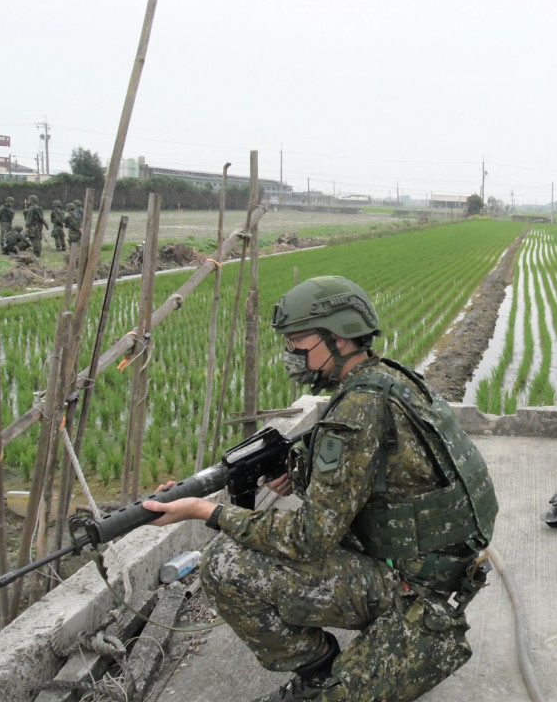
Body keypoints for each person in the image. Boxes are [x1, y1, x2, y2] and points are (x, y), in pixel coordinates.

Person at [143, 276, 497, 702]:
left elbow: (310, 538)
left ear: (341, 338)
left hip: (416, 586)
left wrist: (207, 512)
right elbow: (379, 481)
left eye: (298, 343)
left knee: (224, 564)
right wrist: (299, 472)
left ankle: (317, 671)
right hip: (444, 566)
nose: (291, 355)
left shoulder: (357, 411)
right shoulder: (387, 379)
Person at [23, 194, 46, 258]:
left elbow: (28, 219)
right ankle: (38, 252)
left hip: (32, 227)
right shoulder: (39, 208)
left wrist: (27, 227)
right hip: (39, 227)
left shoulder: (31, 208)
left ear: (31, 200)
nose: (28, 201)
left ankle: (36, 254)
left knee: (34, 240)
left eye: (29, 200)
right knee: (38, 240)